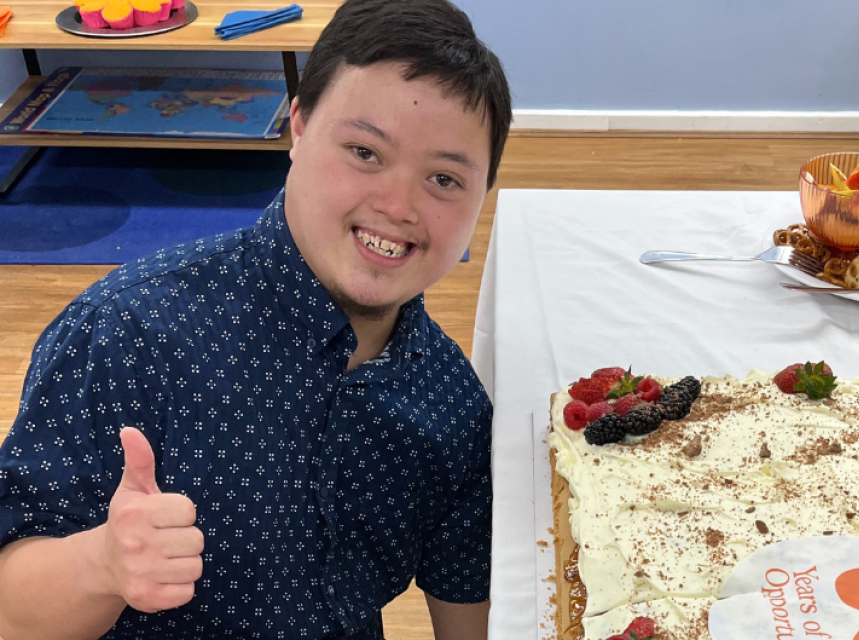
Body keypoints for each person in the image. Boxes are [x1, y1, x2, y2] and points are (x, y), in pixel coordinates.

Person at [0, 0, 511, 637]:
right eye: (364, 151)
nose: (398, 205)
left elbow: (472, 606)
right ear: (297, 126)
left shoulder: (450, 403)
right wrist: (100, 565)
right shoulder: (128, 335)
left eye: (443, 178)